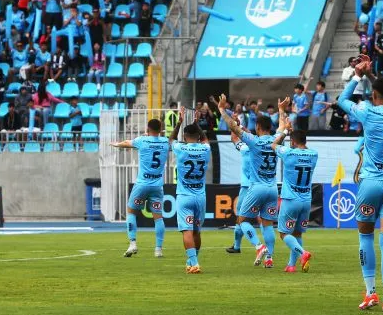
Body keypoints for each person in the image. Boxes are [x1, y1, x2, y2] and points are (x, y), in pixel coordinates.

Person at [337, 57, 383, 313]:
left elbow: (341, 101)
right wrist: (371, 74)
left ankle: (370, 293)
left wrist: (358, 75)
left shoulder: (367, 111)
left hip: (371, 184)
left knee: (365, 236)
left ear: (373, 94)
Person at [214, 94, 278, 267]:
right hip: (273, 188)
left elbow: (235, 133)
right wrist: (283, 110)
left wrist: (222, 110)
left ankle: (258, 246)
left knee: (242, 221)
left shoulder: (250, 145)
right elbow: (285, 128)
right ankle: (269, 258)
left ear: (257, 127)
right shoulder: (277, 141)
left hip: (253, 187)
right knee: (268, 224)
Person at [111, 118, 170, 259]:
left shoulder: (142, 141)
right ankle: (158, 249)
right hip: (157, 187)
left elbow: (126, 143)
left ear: (148, 128)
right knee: (158, 217)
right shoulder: (165, 142)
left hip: (142, 185)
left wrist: (116, 144)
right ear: (161, 129)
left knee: (131, 212)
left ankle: (133, 243)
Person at [273, 100, 317, 273]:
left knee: (284, 233)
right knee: (297, 233)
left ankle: (303, 253)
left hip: (291, 199)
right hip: (306, 200)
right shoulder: (314, 154)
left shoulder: (289, 153)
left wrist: (285, 131)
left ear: (292, 141)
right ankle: (291, 265)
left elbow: (274, 145)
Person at [170, 107, 211, 273]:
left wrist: (179, 122)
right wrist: (197, 124)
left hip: (184, 196)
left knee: (186, 230)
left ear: (185, 137)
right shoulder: (205, 148)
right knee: (196, 231)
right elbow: (206, 140)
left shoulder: (181, 148)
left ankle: (194, 263)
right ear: (199, 137)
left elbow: (171, 139)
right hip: (200, 196)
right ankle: (192, 261)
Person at [224, 128, 254, 254]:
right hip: (264, 186)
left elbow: (234, 138)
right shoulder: (262, 147)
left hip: (247, 187)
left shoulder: (245, 149)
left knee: (241, 217)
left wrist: (236, 126)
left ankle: (248, 246)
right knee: (265, 221)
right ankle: (269, 250)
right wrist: (246, 131)